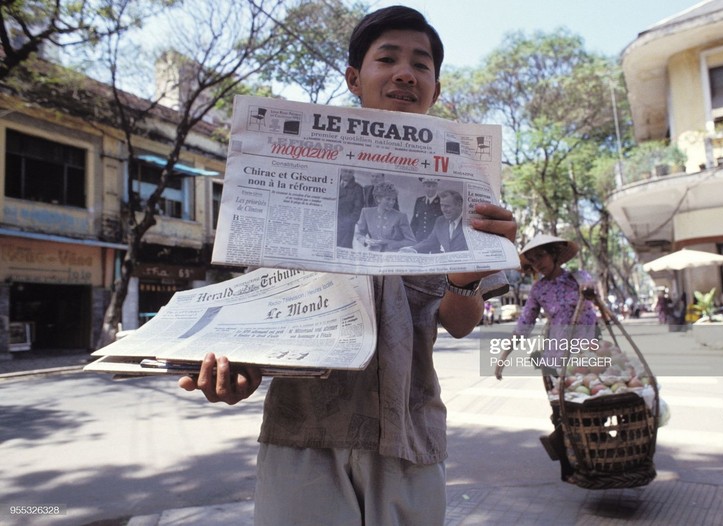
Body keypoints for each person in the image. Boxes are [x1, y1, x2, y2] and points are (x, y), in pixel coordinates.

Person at [178, 6, 517, 525]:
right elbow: (267, 311)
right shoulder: (292, 164)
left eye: (421, 64)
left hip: (410, 433)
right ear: (354, 79)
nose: (406, 72)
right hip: (304, 435)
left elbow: (458, 320)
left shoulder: (467, 181)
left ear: (436, 88)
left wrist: (473, 267)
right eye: (388, 59)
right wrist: (241, 368)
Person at [494, 233, 597, 481]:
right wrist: (504, 356)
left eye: (541, 255)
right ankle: (569, 467)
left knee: (591, 406)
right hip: (557, 358)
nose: (537, 262)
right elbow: (525, 323)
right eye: (532, 259)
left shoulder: (578, 277)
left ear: (554, 254)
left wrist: (589, 290)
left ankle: (597, 459)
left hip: (587, 354)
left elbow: (593, 291)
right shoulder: (539, 289)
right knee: (561, 412)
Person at [354, 181, 416, 251]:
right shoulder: (366, 212)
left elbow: (411, 241)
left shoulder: (401, 217)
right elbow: (359, 233)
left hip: (392, 255)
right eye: (388, 199)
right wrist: (365, 240)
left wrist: (390, 243)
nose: (392, 202)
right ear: (378, 199)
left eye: (393, 199)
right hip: (374, 254)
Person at [400, 189, 467, 253]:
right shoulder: (440, 221)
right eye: (442, 205)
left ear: (459, 205)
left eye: (447, 206)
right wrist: (412, 249)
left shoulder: (469, 223)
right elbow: (430, 241)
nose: (443, 209)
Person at [336, 168, 364, 248]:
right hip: (331, 222)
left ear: (353, 173)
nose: (347, 174)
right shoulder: (333, 182)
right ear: (341, 171)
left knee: (343, 247)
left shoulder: (358, 188)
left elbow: (358, 208)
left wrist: (349, 222)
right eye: (345, 171)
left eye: (350, 172)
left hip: (346, 226)